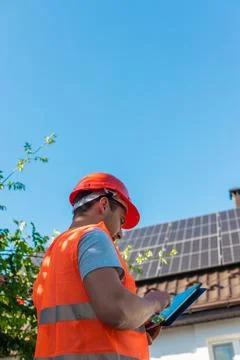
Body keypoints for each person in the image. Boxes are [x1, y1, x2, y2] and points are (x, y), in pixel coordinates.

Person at [33, 172, 170, 360]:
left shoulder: (53, 255)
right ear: (104, 205)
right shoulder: (93, 237)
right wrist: (155, 302)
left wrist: (137, 325)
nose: (120, 233)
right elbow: (117, 312)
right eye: (121, 221)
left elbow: (79, 329)